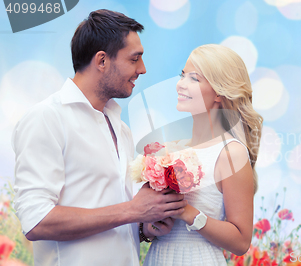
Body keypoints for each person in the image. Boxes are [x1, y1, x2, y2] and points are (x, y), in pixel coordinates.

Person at [11, 9, 186, 265]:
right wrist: (132, 211)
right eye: (135, 58)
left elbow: (117, 215)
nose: (143, 69)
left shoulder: (120, 127)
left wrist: (145, 226)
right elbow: (36, 221)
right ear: (102, 61)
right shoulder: (47, 119)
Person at [143, 44, 263, 265]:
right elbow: (149, 228)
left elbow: (241, 242)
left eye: (194, 79)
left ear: (219, 92)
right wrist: (151, 226)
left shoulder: (231, 153)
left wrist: (189, 213)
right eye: (182, 76)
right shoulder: (169, 150)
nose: (181, 84)